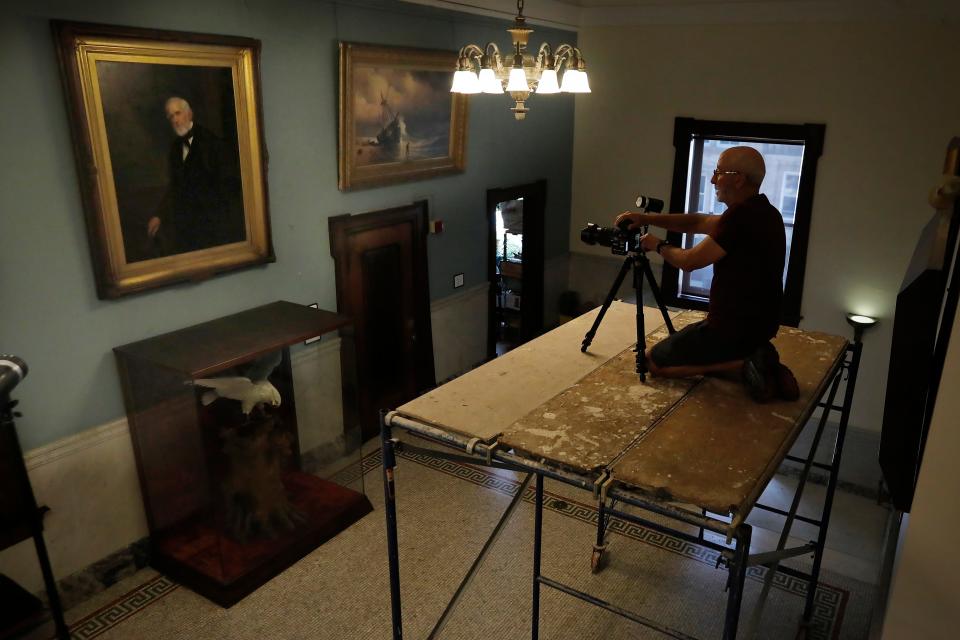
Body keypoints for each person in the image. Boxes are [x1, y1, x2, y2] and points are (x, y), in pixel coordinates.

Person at [614, 146, 798, 402]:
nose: (712, 179)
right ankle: (761, 362)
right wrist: (646, 218)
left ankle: (741, 364)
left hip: (728, 329)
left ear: (738, 178)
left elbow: (690, 262)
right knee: (682, 343)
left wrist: (655, 244)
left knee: (652, 362)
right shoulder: (767, 213)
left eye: (718, 172)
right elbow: (697, 222)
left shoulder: (740, 217)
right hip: (759, 329)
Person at [147, 96, 245, 256]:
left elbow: (229, 186)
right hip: (185, 228)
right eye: (170, 116)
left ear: (189, 114)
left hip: (212, 226)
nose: (175, 120)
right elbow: (175, 186)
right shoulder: (175, 148)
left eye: (177, 113)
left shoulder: (212, 143)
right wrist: (159, 215)